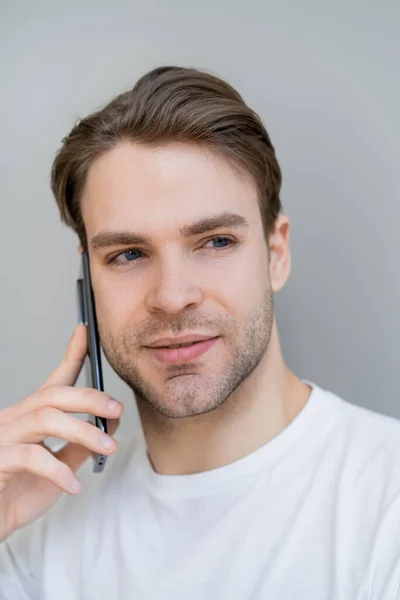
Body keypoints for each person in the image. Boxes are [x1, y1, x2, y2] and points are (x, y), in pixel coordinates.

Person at [0, 66, 399, 600]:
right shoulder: (34, 522)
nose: (171, 295)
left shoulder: (385, 504)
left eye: (214, 242)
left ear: (275, 254)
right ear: (88, 279)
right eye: (129, 254)